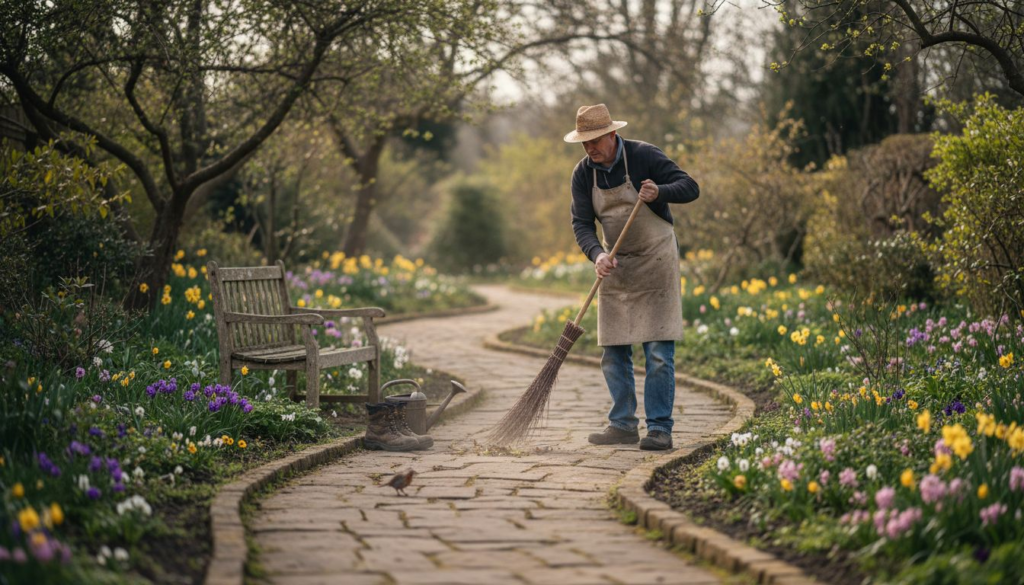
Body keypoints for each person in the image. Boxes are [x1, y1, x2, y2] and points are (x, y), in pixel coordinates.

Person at [564, 104, 699, 451]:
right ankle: (622, 424)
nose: (590, 148)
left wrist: (661, 192)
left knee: (657, 351)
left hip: (656, 261)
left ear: (612, 134)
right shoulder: (583, 174)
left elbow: (690, 186)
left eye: (595, 140)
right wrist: (597, 255)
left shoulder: (644, 155)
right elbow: (581, 224)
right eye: (585, 143)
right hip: (616, 264)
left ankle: (659, 429)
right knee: (613, 350)